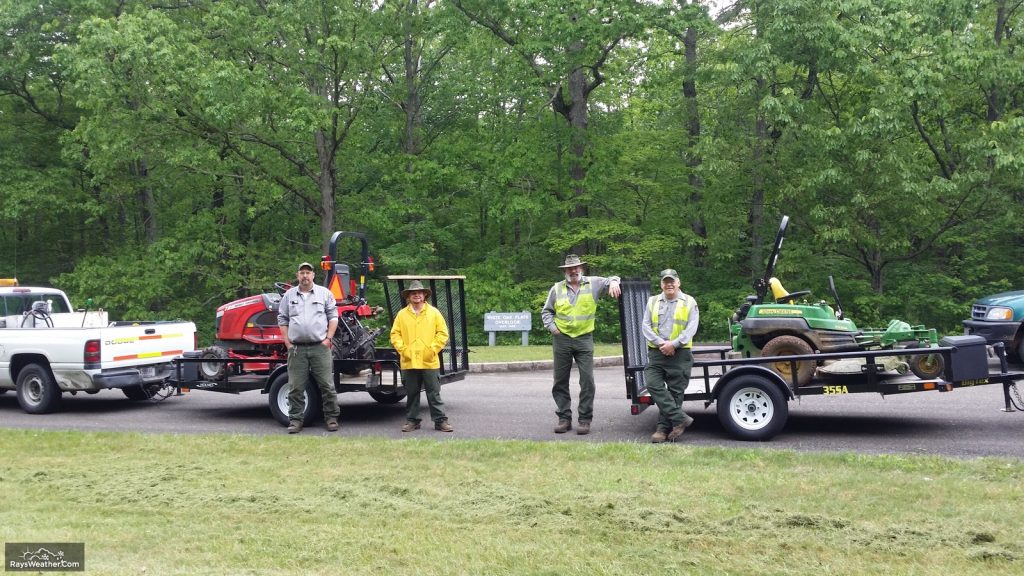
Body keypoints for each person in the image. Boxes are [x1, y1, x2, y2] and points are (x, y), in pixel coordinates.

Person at [540, 254, 621, 435]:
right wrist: (553, 329)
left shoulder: (593, 283)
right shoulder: (556, 288)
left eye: (576, 267)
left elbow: (612, 279)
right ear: (565, 271)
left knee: (587, 381)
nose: (573, 271)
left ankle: (585, 420)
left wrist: (614, 281)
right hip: (562, 339)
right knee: (560, 381)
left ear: (581, 268)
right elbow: (546, 312)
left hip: (584, 338)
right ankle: (564, 418)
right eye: (570, 268)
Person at [277, 262, 340, 434]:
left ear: (313, 275)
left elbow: (333, 316)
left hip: (320, 347)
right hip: (296, 348)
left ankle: (331, 418)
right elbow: (282, 319)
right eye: (302, 273)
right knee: (296, 386)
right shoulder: (289, 296)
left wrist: (328, 339)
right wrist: (287, 343)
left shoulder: (324, 293)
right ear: (298, 276)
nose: (305, 276)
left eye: (308, 273)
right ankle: (296, 420)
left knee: (327, 385)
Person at [642, 268, 699, 443]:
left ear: (678, 282)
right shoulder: (652, 301)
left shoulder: (689, 302)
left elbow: (691, 328)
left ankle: (661, 430)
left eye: (672, 281)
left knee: (675, 393)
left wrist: (673, 345)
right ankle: (679, 418)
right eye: (666, 281)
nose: (669, 284)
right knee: (652, 384)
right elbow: (646, 326)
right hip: (657, 353)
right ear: (661, 284)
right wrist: (662, 344)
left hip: (680, 353)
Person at [390, 280, 453, 433]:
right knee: (411, 393)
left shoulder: (434, 313)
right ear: (409, 297)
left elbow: (443, 334)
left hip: (429, 361)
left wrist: (432, 350)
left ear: (425, 295)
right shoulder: (402, 314)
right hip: (409, 361)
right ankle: (412, 421)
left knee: (434, 393)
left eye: (419, 292)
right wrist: (403, 350)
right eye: (413, 293)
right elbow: (395, 334)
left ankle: (440, 421)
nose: (416, 295)